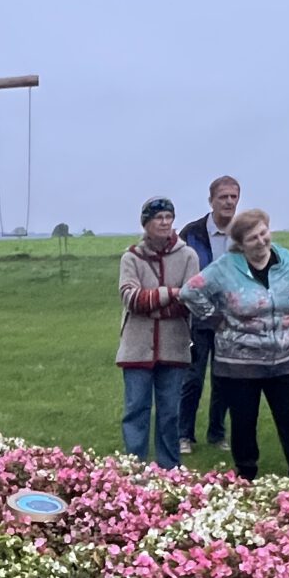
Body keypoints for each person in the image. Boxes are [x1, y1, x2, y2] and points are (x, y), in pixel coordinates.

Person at [180, 206, 289, 481]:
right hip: (239, 363)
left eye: (264, 233)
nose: (262, 241)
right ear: (240, 244)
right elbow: (189, 292)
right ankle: (246, 477)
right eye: (253, 238)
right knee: (243, 423)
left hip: (284, 358)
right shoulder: (225, 267)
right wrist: (214, 318)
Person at [116, 196, 196, 468]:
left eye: (168, 217)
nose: (164, 222)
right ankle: (134, 465)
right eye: (158, 218)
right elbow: (131, 299)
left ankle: (169, 467)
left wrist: (153, 303)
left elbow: (191, 300)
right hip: (137, 346)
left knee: (170, 411)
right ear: (146, 224)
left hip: (174, 345)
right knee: (136, 409)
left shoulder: (188, 256)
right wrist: (171, 293)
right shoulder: (131, 258)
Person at [177, 174, 240, 453]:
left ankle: (217, 433)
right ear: (211, 200)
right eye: (223, 197)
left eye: (233, 197)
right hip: (198, 317)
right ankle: (184, 435)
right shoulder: (192, 234)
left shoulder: (243, 232)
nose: (229, 202)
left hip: (232, 319)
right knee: (192, 378)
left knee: (224, 378)